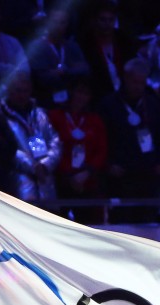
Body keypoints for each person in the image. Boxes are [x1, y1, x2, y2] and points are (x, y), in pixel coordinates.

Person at [96, 56, 160, 200]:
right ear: (125, 78)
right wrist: (108, 164)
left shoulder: (152, 104)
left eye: (142, 83)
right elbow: (100, 139)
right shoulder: (108, 105)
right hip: (120, 173)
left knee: (148, 218)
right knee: (122, 219)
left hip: (149, 173)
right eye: (135, 82)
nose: (138, 87)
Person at [47, 78, 107, 220]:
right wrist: (69, 177)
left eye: (86, 93)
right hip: (61, 181)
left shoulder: (95, 120)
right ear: (71, 93)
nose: (81, 97)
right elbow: (52, 147)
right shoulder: (55, 117)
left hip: (88, 181)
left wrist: (87, 172)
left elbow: (102, 150)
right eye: (79, 92)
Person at [0, 71, 61, 202]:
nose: (22, 95)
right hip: (18, 183)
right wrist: (33, 166)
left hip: (46, 182)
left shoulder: (39, 114)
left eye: (25, 91)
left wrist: (45, 164)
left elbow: (55, 142)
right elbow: (6, 148)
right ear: (9, 90)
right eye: (18, 90)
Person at [27, 7, 89, 110]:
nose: (58, 26)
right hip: (45, 100)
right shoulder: (37, 46)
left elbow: (85, 69)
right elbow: (40, 77)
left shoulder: (72, 46)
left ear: (67, 24)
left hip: (71, 100)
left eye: (62, 22)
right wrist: (71, 70)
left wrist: (62, 71)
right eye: (54, 22)